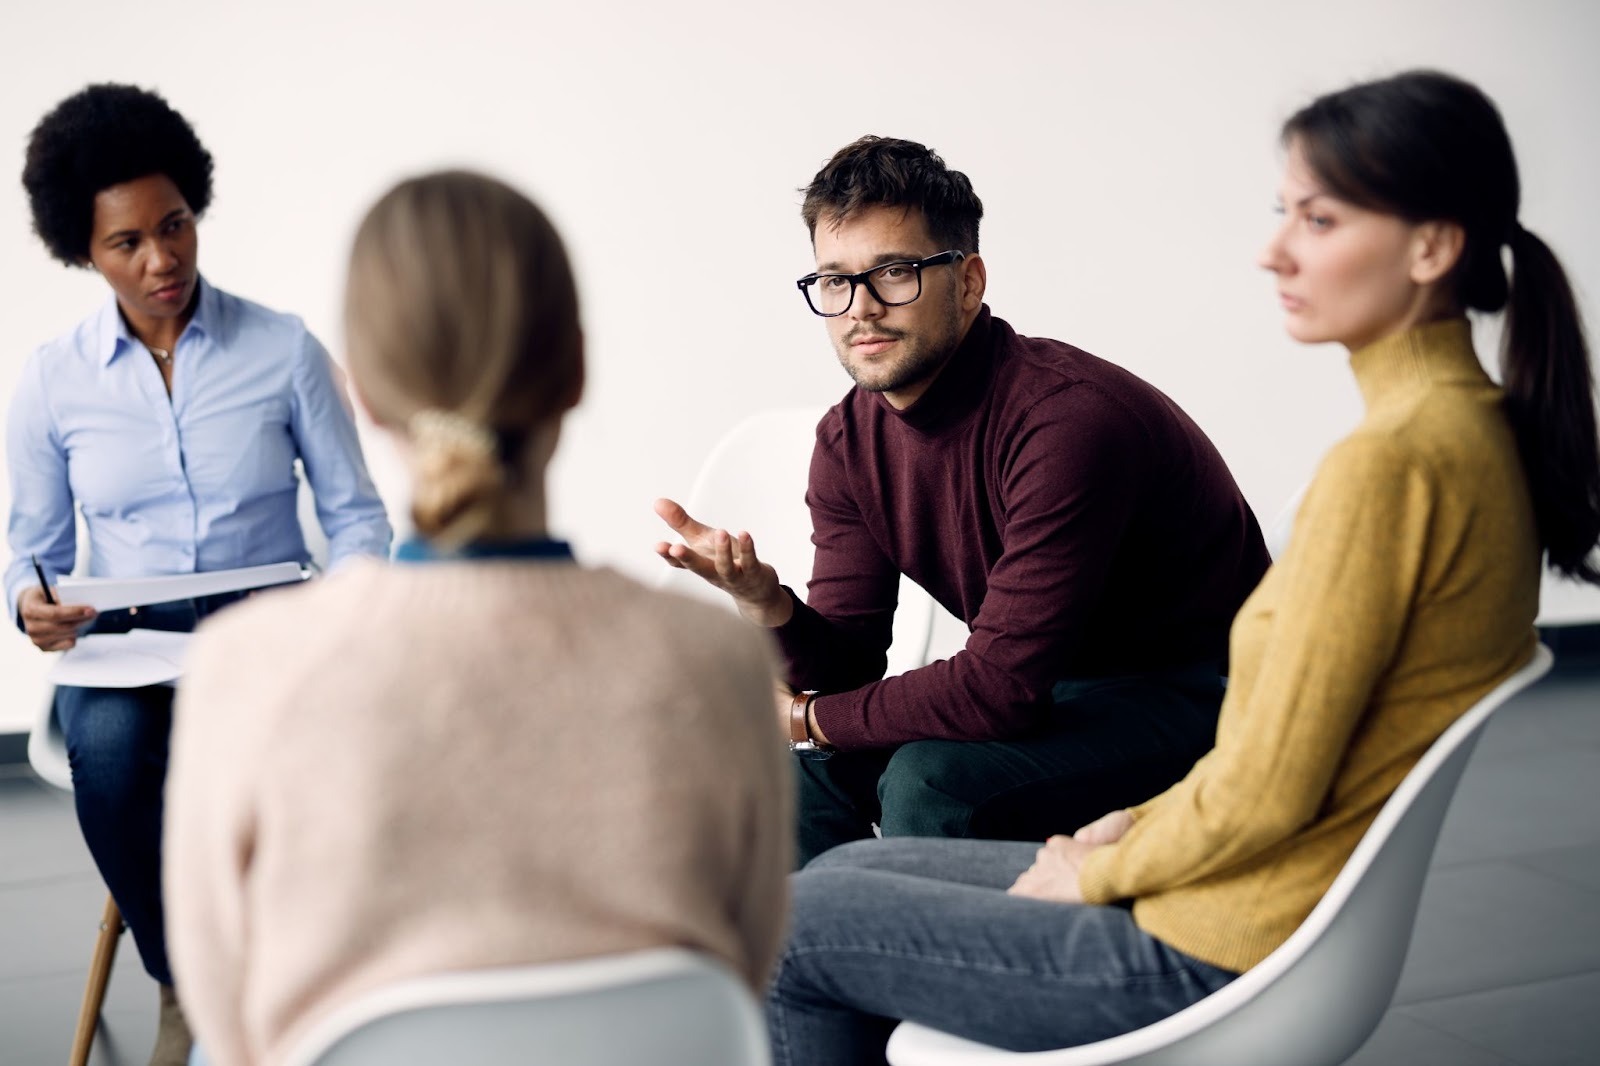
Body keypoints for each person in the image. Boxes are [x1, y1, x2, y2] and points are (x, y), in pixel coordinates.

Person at [762, 70, 1600, 1064]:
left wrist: (1101, 867)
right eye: (1282, 212)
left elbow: (1265, 791)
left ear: (1431, 247)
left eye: (1319, 219)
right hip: (1210, 883)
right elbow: (1270, 759)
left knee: (798, 928)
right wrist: (1114, 833)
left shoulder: (1391, 470)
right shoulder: (1455, 434)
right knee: (818, 891)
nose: (1272, 249)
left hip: (1210, 936)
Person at [162, 170, 793, 1066]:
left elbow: (227, 1028)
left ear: (367, 398)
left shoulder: (246, 670)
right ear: (576, 370)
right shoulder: (719, 662)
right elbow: (746, 967)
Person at [655, 135, 1270, 866]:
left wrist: (801, 716)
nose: (861, 309)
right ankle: (826, 976)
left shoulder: (1068, 422)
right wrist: (768, 606)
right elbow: (851, 663)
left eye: (894, 273)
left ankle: (951, 973)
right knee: (800, 776)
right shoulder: (849, 441)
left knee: (933, 784)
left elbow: (997, 688)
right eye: (834, 281)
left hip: (1203, 696)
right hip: (1055, 690)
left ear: (969, 281)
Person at [4, 84, 391, 1066]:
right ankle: (189, 977)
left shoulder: (284, 350)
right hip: (127, 642)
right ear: (81, 252)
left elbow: (354, 516)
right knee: (110, 748)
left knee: (332, 746)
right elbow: (28, 546)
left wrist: (348, 609)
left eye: (173, 225)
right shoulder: (53, 381)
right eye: (126, 242)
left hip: (268, 627)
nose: (162, 258)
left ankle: (317, 970)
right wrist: (28, 604)